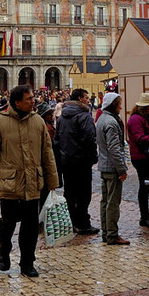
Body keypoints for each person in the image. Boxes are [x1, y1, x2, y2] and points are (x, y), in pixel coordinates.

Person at [0, 84, 59, 278]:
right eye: (29, 99)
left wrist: (52, 179)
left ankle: (27, 261)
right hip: (10, 183)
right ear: (17, 102)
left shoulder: (38, 122)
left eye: (33, 98)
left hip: (33, 182)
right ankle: (4, 248)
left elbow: (47, 153)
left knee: (30, 226)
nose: (33, 101)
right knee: (8, 222)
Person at [54, 88, 99, 235]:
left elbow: (57, 140)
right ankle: (83, 223)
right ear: (80, 99)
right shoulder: (84, 116)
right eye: (86, 97)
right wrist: (92, 157)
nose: (88, 100)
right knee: (84, 194)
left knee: (70, 192)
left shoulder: (61, 118)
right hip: (81, 161)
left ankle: (72, 221)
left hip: (66, 161)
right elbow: (89, 138)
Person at [95, 92, 129, 245]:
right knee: (113, 203)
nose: (121, 106)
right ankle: (112, 235)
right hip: (112, 167)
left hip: (103, 165)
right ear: (114, 105)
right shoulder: (112, 122)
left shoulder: (102, 118)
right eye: (119, 103)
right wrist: (121, 169)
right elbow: (114, 148)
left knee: (105, 202)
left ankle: (106, 232)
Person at [126, 93, 149, 227]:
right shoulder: (136, 120)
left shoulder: (146, 119)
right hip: (140, 157)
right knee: (144, 187)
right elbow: (140, 139)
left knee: (148, 186)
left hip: (147, 157)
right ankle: (144, 217)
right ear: (144, 108)